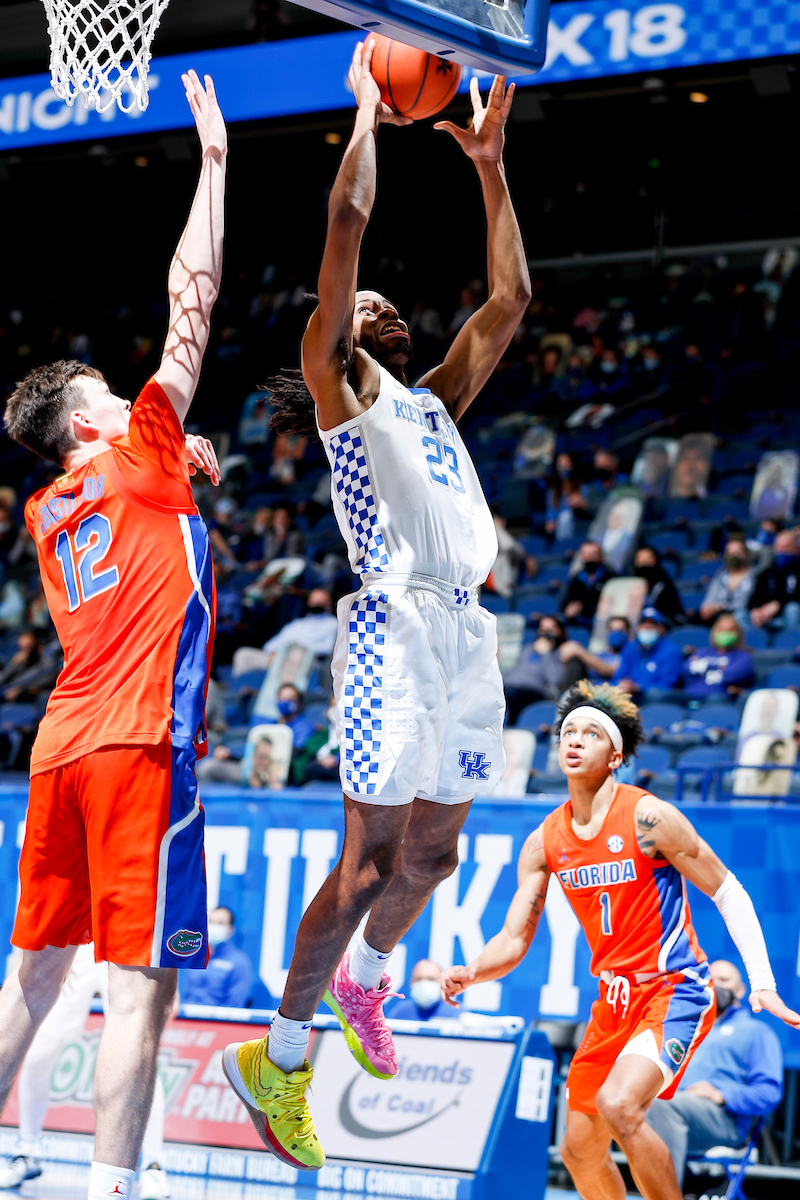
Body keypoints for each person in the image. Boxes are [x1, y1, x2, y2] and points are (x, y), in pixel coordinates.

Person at [221, 42, 530, 1172]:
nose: (381, 302)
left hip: (464, 627)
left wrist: (489, 165)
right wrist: (363, 111)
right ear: (349, 329)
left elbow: (511, 300)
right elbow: (345, 233)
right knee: (365, 863)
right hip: (389, 626)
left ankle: (362, 983)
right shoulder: (341, 385)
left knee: (436, 859)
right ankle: (281, 1057)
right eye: (368, 302)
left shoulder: (436, 399)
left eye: (392, 302)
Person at [0, 72, 226, 1200]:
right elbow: (194, 301)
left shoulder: (50, 507)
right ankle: (108, 1190)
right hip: (140, 742)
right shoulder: (137, 445)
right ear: (95, 419)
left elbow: (149, 538)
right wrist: (216, 166)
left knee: (34, 974)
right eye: (105, 384)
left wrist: (188, 475)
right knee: (140, 988)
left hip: (58, 746)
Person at [440, 680, 799, 1200]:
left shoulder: (648, 817)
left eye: (590, 732)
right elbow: (515, 938)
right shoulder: (544, 840)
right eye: (567, 731)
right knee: (578, 1151)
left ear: (616, 755)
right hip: (613, 1001)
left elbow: (728, 891)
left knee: (620, 1106)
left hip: (674, 989)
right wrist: (474, 971)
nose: (575, 739)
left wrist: (762, 982)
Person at [0, 946, 170, 1200]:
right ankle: (28, 1150)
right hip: (78, 940)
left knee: (138, 1050)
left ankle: (153, 1166)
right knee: (38, 1050)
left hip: (122, 929)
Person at [646, 958, 783, 1192]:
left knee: (663, 1105)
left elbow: (770, 1093)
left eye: (724, 980)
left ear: (740, 991)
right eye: (711, 980)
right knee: (617, 1101)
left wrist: (723, 1095)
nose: (716, 985)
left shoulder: (756, 1033)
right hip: (673, 1109)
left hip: (724, 1120)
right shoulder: (691, 1029)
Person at [232, 588, 338, 676]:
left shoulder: (333, 623)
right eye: (314, 600)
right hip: (278, 657)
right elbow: (269, 645)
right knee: (243, 654)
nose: (316, 603)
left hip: (307, 660)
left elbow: (328, 648)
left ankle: (287, 695)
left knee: (296, 654)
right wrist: (275, 652)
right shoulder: (296, 623)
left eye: (321, 601)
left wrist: (298, 646)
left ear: (328, 603)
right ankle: (240, 695)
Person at [503, 615, 586, 723]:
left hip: (529, 693)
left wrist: (546, 653)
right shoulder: (528, 648)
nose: (546, 633)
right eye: (543, 629)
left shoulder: (559, 654)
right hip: (507, 687)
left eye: (551, 629)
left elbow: (555, 679)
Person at [180, 908, 253, 1009]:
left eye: (220, 923)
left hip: (218, 1022)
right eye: (210, 922)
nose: (213, 927)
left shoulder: (239, 963)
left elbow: (235, 1004)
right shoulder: (195, 957)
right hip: (188, 1020)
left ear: (230, 930)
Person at [613, 607, 682, 698]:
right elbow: (618, 677)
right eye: (643, 624)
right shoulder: (630, 648)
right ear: (638, 628)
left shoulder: (670, 651)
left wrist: (639, 688)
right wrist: (622, 685)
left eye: (652, 625)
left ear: (661, 629)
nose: (647, 627)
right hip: (628, 696)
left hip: (653, 701)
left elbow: (668, 684)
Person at [681, 616, 754, 701]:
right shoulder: (702, 652)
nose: (724, 633)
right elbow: (685, 669)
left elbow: (731, 676)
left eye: (730, 630)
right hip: (690, 694)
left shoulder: (743, 656)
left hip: (717, 696)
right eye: (720, 629)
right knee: (663, 696)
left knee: (716, 700)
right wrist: (717, 666)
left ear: (738, 633)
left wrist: (701, 665)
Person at [748, 528, 800, 628]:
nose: (782, 551)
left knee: (792, 609)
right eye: (779, 547)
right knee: (741, 614)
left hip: (790, 619)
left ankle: (791, 640)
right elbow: (753, 599)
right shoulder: (767, 572)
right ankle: (753, 641)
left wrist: (778, 605)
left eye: (786, 547)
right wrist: (756, 610)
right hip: (765, 619)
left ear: (796, 549)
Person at [699, 538, 755, 625]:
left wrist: (721, 607)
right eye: (730, 552)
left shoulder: (753, 576)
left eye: (737, 552)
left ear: (745, 554)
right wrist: (707, 608)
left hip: (739, 616)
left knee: (739, 616)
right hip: (716, 615)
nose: (733, 556)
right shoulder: (721, 575)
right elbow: (709, 599)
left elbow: (746, 604)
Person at [559, 616, 630, 684]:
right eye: (612, 630)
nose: (616, 633)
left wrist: (579, 651)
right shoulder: (599, 655)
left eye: (620, 630)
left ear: (628, 633)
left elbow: (608, 670)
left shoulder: (629, 656)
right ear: (608, 633)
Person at [560, 540, 616, 625]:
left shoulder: (611, 576)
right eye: (586, 554)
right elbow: (565, 601)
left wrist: (583, 607)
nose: (590, 557)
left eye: (593, 554)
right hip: (578, 620)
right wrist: (570, 608)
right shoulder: (576, 578)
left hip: (603, 619)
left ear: (600, 556)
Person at [388, 960, 456, 1022]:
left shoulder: (454, 1014)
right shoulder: (401, 1012)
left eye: (431, 979)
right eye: (419, 979)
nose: (424, 983)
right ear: (411, 983)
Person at [633, 546, 685, 625]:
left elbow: (671, 612)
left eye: (648, 559)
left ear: (655, 560)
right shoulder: (631, 583)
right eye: (640, 559)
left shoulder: (664, 583)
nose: (644, 562)